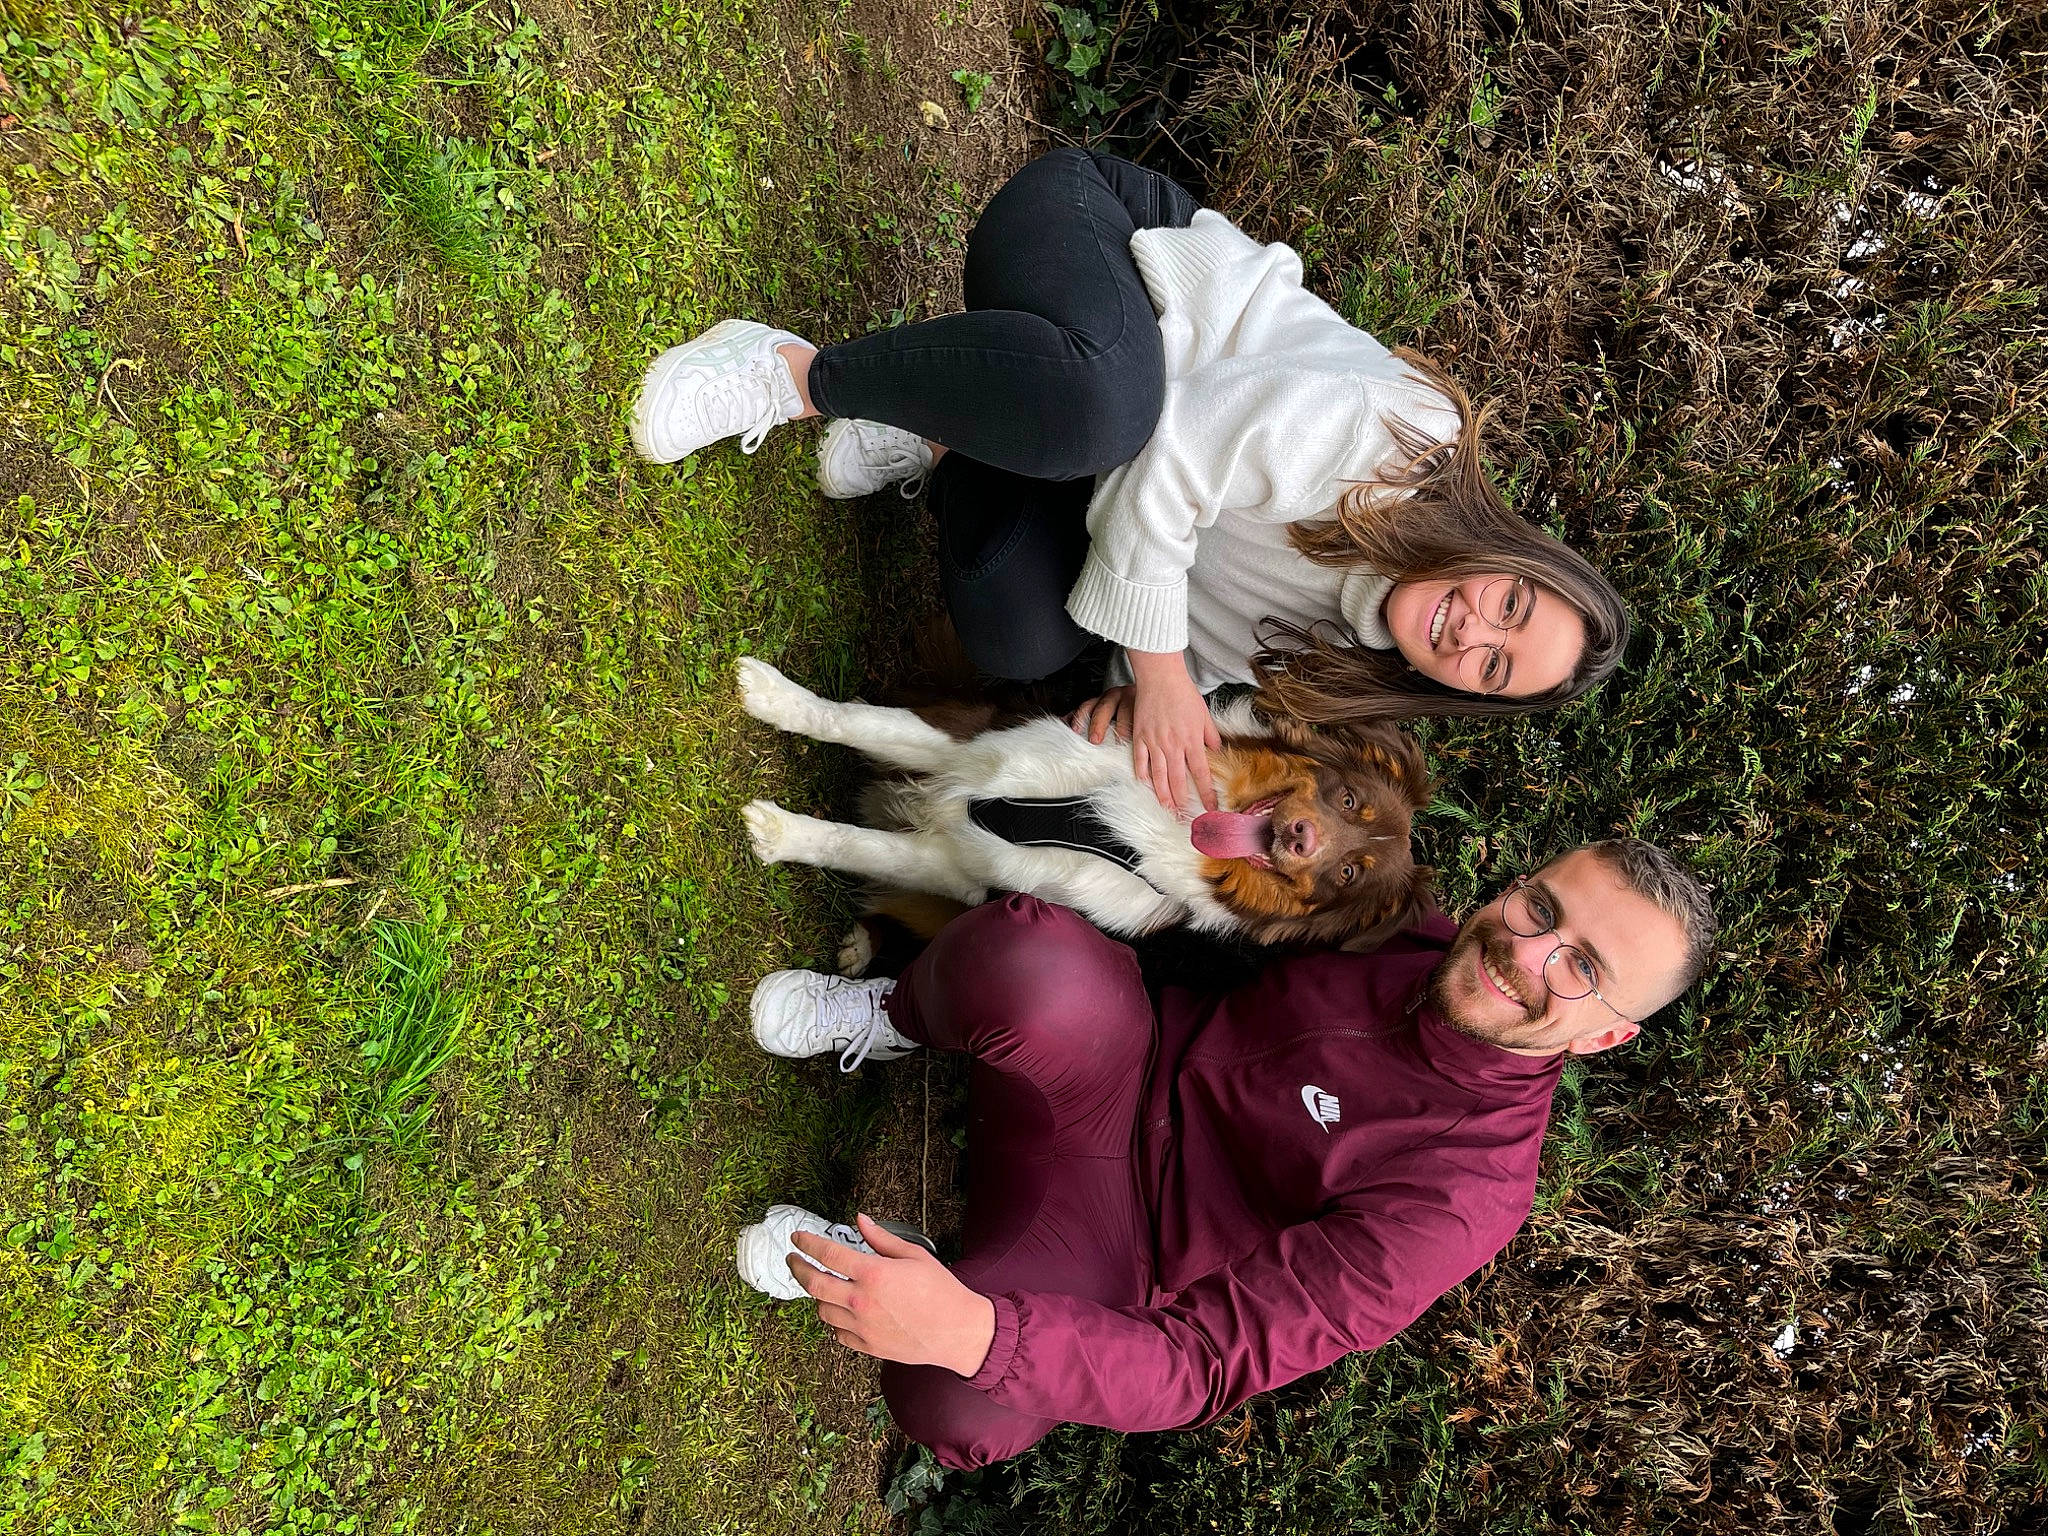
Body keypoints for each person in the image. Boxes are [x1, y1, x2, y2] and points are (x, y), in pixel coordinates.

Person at [629, 149, 1631, 815]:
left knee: (1023, 636)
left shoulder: (1345, 670)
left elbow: (1177, 641)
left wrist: (1138, 696)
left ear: (1466, 695)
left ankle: (940, 430)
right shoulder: (1406, 446)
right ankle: (791, 372)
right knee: (1108, 408)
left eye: (1494, 665)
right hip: (1099, 246)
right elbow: (1178, 448)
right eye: (1510, 603)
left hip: (1077, 433)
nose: (1474, 630)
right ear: (1512, 556)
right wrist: (1157, 678)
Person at [731, 839, 1717, 1470]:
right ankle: (896, 1017)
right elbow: (1209, 867)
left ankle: (917, 1276)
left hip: (1118, 1251)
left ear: (1603, 1037)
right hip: (1116, 1062)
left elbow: (1203, 1366)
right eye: (1541, 908)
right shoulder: (1406, 924)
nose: (1529, 953)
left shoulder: (1462, 1197)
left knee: (959, 1399)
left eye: (1582, 969)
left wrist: (979, 1336)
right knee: (1025, 960)